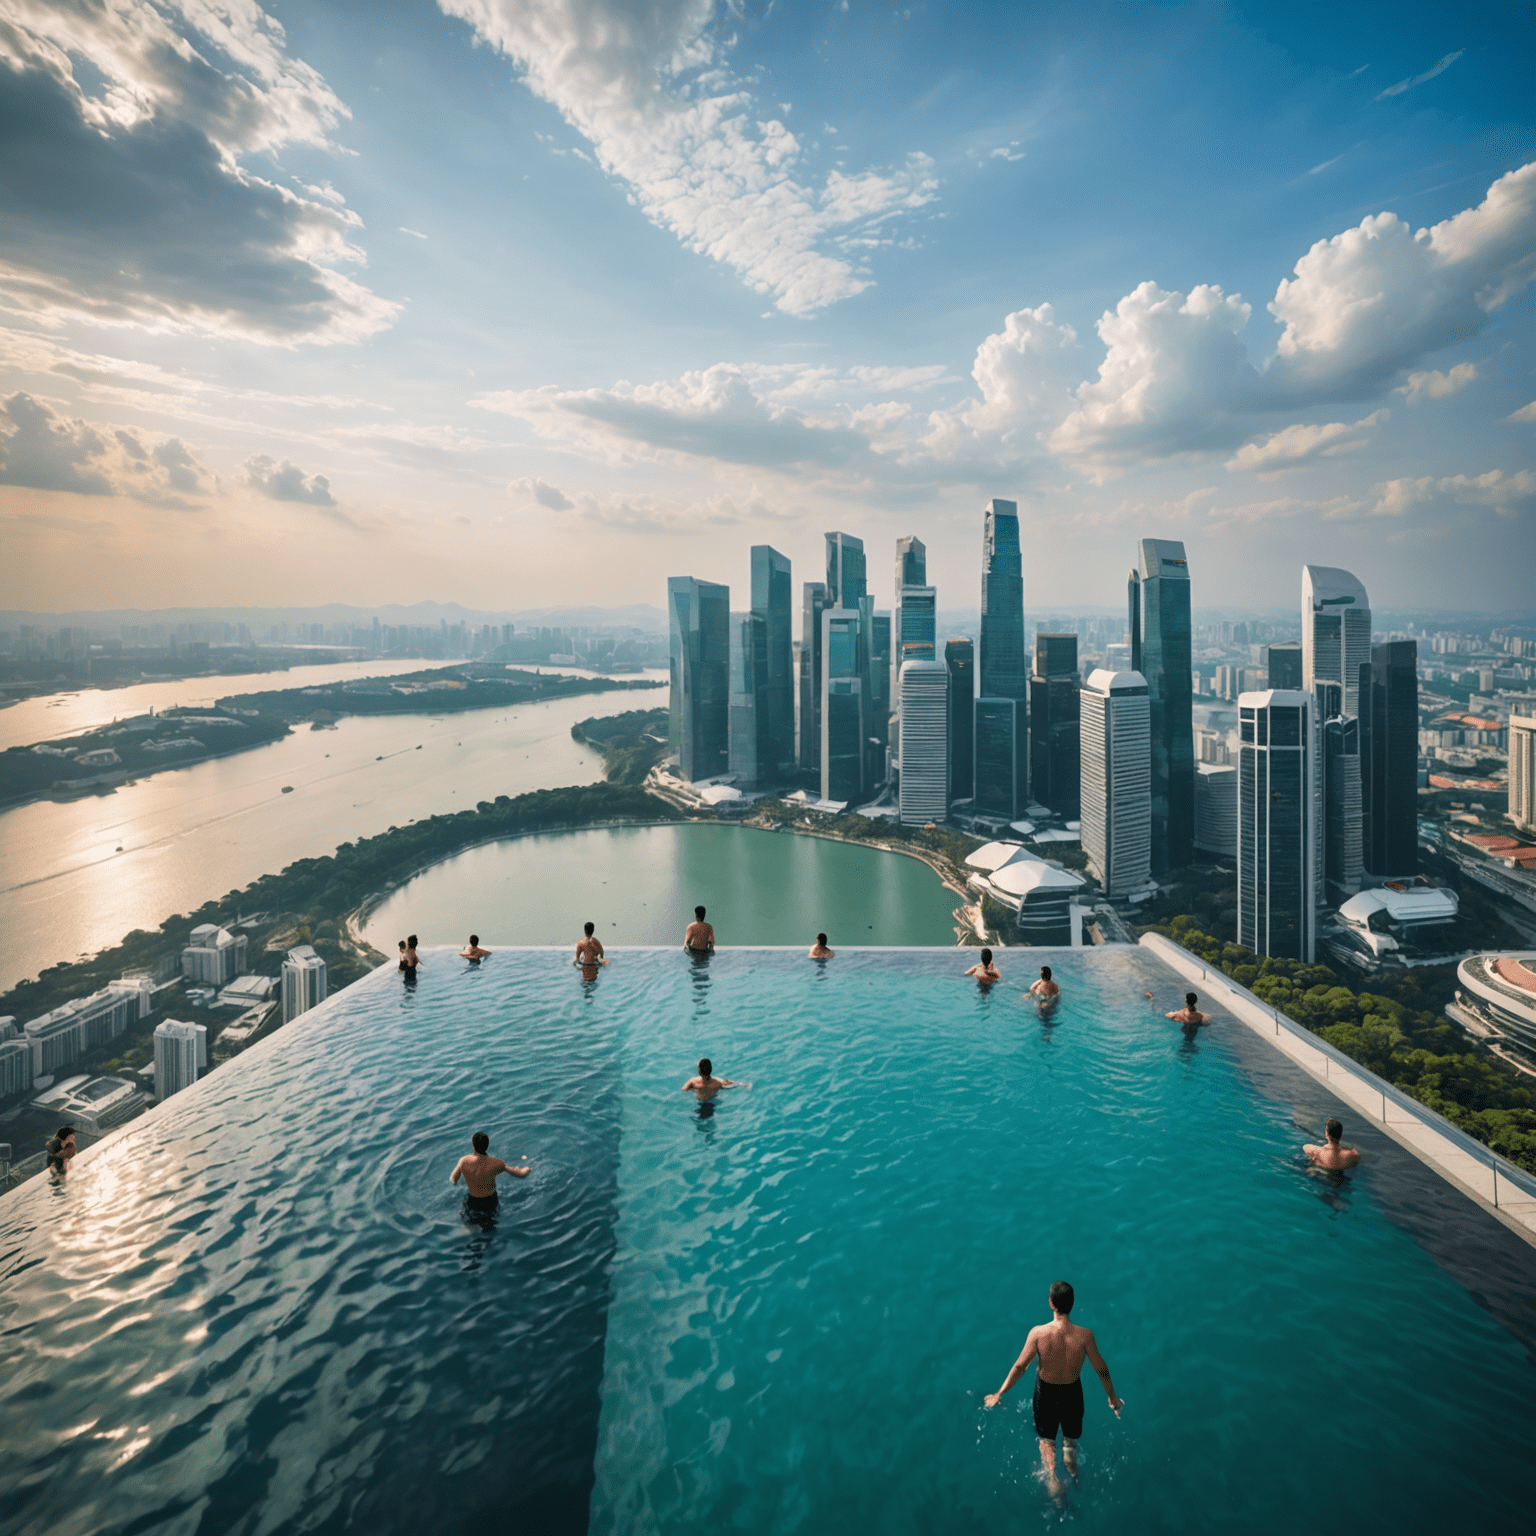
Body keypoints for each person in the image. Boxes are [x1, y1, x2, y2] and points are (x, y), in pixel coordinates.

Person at [984, 1281, 1123, 1493]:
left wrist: (999, 1392)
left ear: (1051, 1303)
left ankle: (1052, 1479)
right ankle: (1074, 1476)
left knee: (1047, 1441)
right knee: (1070, 1442)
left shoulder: (1038, 1333)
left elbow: (1020, 1366)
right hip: (1072, 1394)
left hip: (1046, 1394)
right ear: (1073, 1304)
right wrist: (1112, 1397)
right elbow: (1101, 1369)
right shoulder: (1085, 1336)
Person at [449, 1131, 530, 1211]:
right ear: (487, 1145)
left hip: (472, 1200)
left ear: (473, 1146)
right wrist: (527, 1169)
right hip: (490, 1201)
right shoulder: (496, 1163)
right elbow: (521, 1174)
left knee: (468, 1223)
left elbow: (453, 1179)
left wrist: (460, 1183)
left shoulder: (463, 1161)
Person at [682, 1058, 749, 1101]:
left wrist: (694, 1089)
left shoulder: (693, 1081)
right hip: (712, 1099)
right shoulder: (718, 1083)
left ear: (699, 1071)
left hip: (701, 1101)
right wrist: (744, 1084)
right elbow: (734, 1084)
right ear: (711, 1070)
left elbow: (684, 1089)